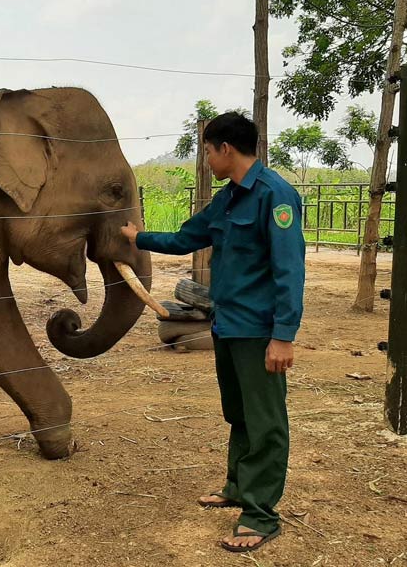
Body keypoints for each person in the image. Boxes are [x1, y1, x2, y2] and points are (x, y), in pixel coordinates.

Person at [120, 112, 305, 552]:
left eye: (206, 151)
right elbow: (188, 237)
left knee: (266, 423)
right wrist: (138, 237)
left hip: (259, 331)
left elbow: (289, 270)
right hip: (227, 325)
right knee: (239, 414)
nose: (204, 160)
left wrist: (283, 335)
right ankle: (238, 487)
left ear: (225, 148)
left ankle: (261, 515)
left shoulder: (275, 196)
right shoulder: (227, 200)